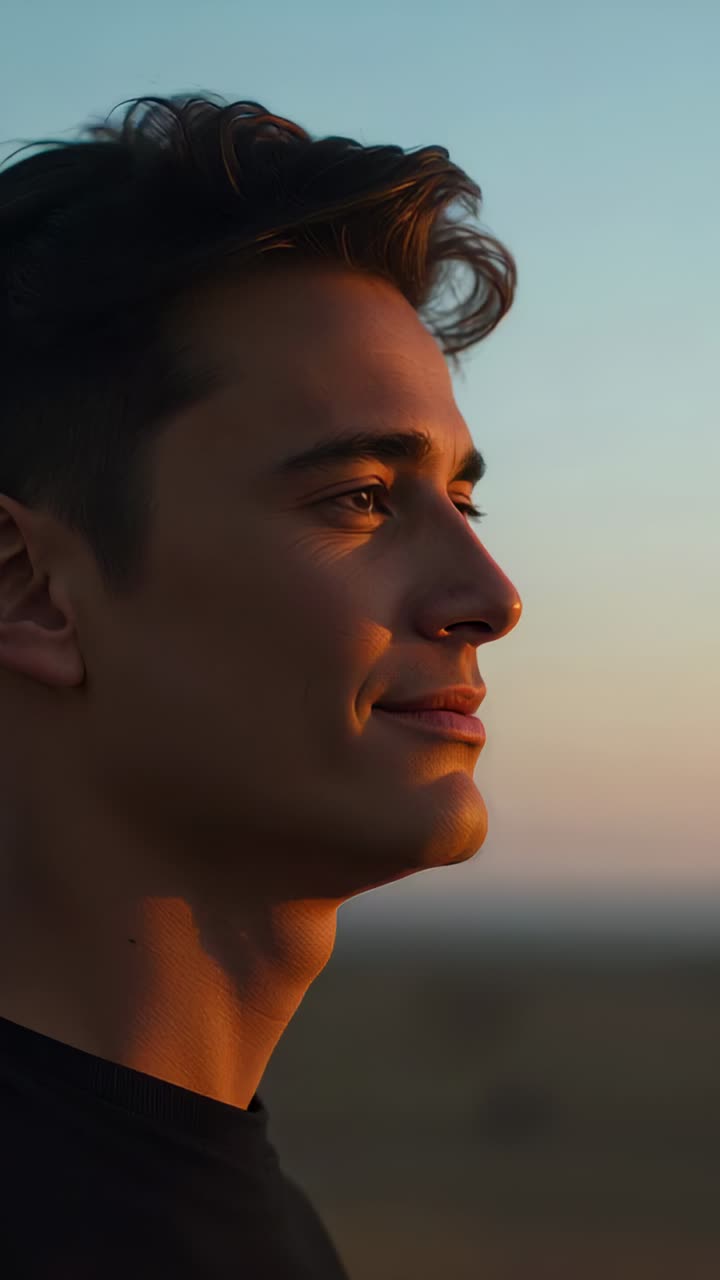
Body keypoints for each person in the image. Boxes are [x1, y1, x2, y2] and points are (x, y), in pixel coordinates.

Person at [0, 93, 522, 1278]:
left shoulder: (235, 1209)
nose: (490, 596)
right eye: (360, 498)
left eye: (465, 500)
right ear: (28, 588)